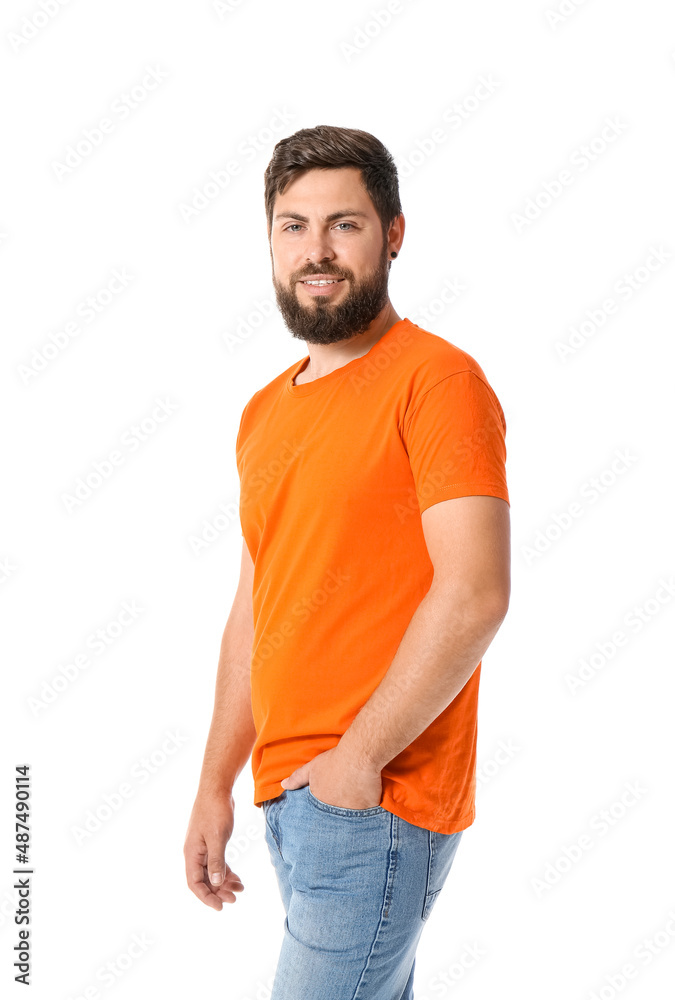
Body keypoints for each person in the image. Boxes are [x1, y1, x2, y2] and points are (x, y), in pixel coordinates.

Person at [184, 125, 511, 999]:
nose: (316, 251)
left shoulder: (435, 381)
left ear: (393, 233)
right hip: (289, 798)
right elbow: (258, 605)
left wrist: (356, 760)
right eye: (293, 226)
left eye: (344, 225)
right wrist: (214, 783)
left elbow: (476, 591)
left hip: (376, 794)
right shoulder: (264, 412)